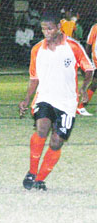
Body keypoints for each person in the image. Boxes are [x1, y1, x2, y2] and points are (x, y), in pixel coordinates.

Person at [19, 11, 94, 191]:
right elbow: (34, 77)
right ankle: (31, 171)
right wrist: (26, 99)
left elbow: (89, 70)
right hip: (44, 97)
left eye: (50, 28)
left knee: (56, 142)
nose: (46, 32)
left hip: (67, 102)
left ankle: (40, 179)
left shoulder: (73, 46)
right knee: (42, 128)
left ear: (59, 27)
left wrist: (84, 87)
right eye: (43, 29)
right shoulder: (37, 49)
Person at [77, 23, 97, 116]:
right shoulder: (95, 27)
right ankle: (80, 106)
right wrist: (86, 60)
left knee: (95, 83)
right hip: (96, 59)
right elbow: (88, 45)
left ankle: (80, 106)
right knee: (95, 83)